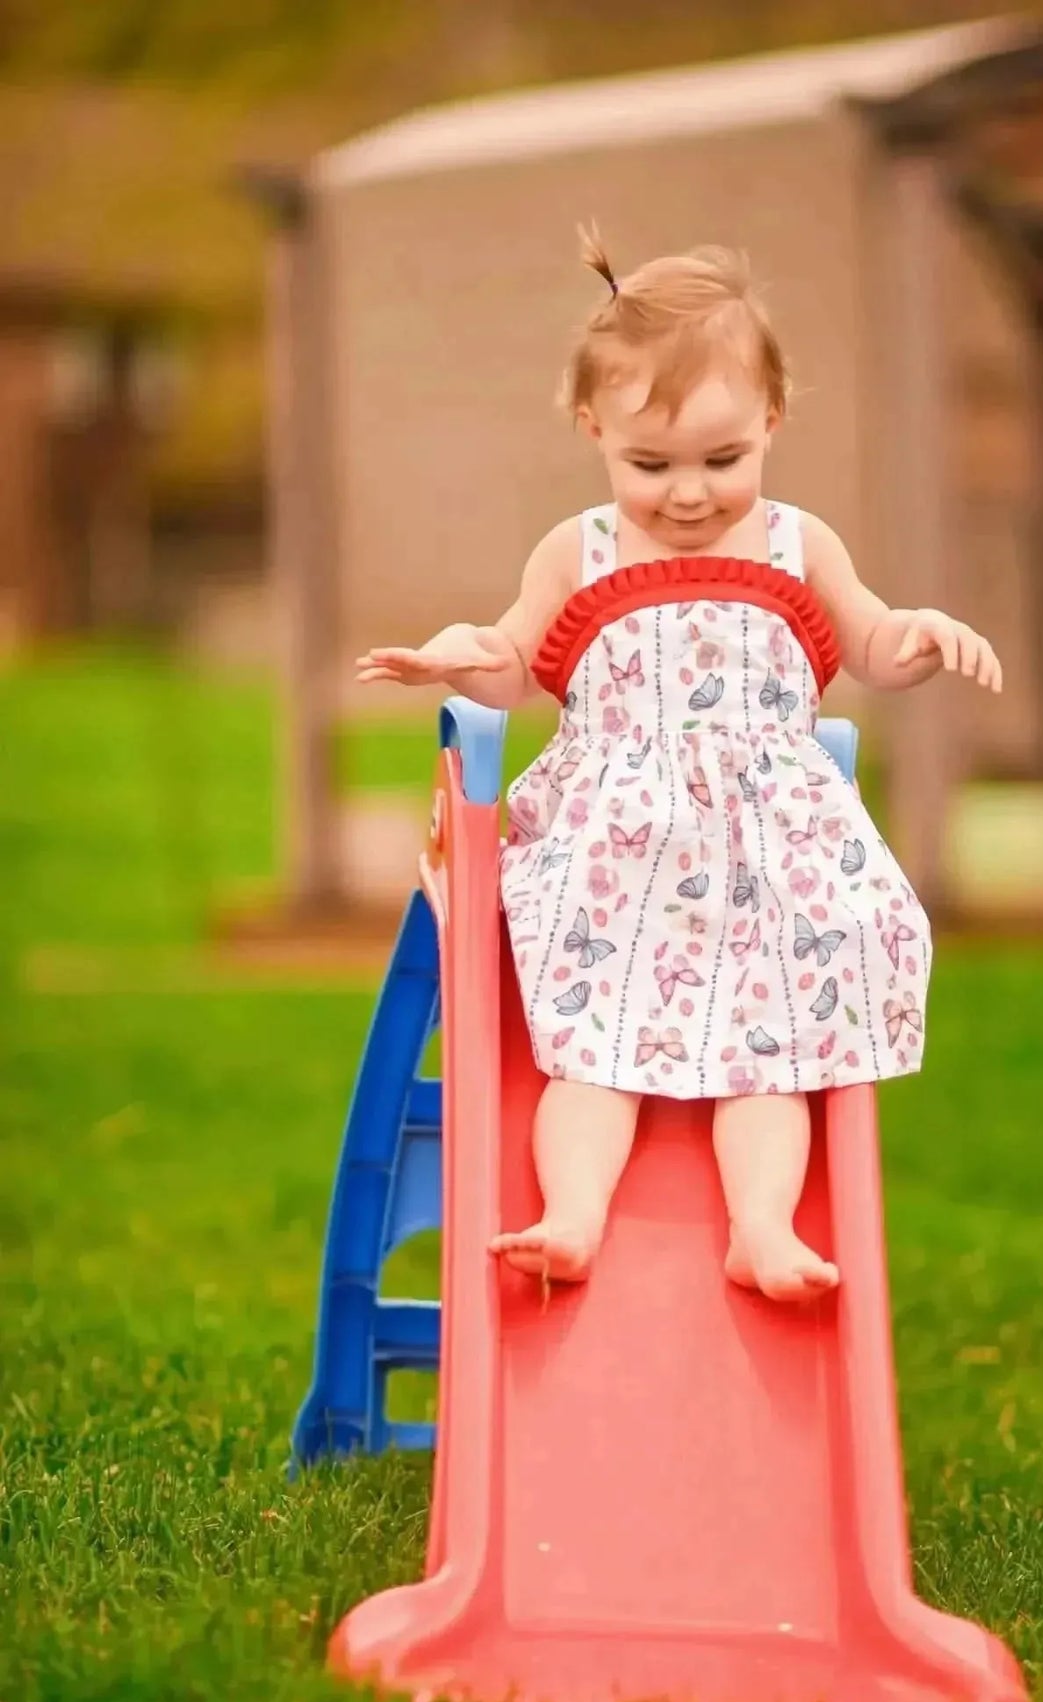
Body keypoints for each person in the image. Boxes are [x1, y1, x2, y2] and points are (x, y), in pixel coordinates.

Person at [357, 228, 1002, 1302]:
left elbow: (874, 643)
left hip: (766, 860)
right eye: (650, 465)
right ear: (593, 428)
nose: (691, 493)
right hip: (620, 854)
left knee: (771, 1053)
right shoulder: (581, 550)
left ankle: (760, 1229)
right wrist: (460, 655)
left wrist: (922, 633)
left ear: (772, 421)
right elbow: (516, 660)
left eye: (724, 459)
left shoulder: (800, 544)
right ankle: (571, 1216)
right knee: (594, 1050)